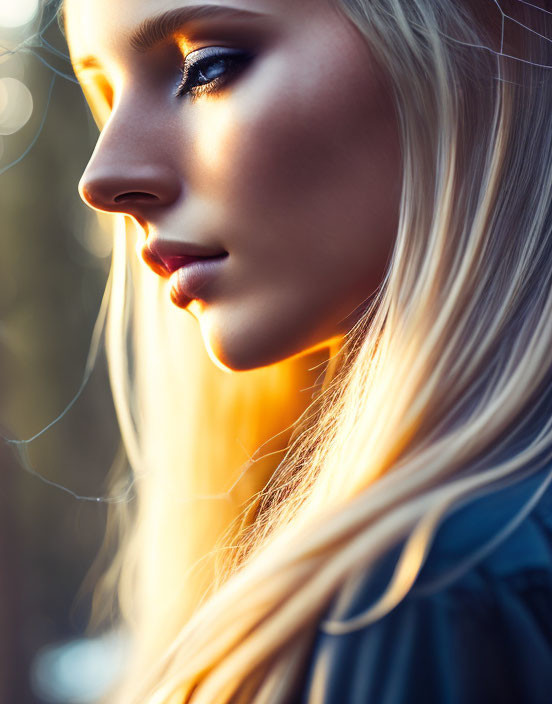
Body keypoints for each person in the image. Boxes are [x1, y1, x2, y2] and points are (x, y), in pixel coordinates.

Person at [61, 0, 552, 702]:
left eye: (208, 67)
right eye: (106, 99)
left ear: (488, 34)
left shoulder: (424, 591)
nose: (103, 178)